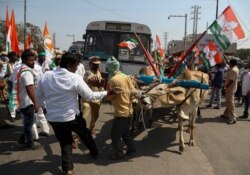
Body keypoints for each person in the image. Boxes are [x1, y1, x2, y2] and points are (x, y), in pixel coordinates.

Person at [36, 52, 114, 175]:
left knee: (65, 141)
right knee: (85, 134)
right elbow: (90, 95)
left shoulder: (46, 76)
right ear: (69, 64)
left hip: (54, 118)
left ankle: (68, 169)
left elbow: (39, 99)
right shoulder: (75, 78)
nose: (78, 67)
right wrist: (107, 92)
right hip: (71, 117)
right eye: (76, 64)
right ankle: (94, 152)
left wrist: (47, 110)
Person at [106, 56, 137, 160]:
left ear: (110, 68)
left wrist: (105, 93)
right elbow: (133, 92)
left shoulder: (112, 80)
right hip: (128, 111)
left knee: (114, 135)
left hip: (120, 113)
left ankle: (119, 154)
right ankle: (132, 148)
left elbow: (110, 96)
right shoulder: (126, 76)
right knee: (125, 133)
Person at [17, 49, 43, 149]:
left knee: (29, 122)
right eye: (30, 60)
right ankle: (30, 143)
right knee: (29, 124)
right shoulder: (27, 72)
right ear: (24, 61)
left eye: (33, 60)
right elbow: (29, 88)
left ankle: (22, 139)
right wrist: (35, 103)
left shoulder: (21, 69)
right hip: (28, 102)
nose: (33, 62)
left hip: (24, 100)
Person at [82, 56, 105, 134]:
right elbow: (91, 81)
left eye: (97, 64)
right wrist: (100, 83)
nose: (96, 66)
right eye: (94, 64)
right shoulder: (88, 73)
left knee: (96, 116)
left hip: (96, 98)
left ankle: (92, 127)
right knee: (84, 116)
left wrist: (102, 91)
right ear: (90, 64)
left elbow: (101, 85)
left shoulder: (98, 72)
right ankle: (76, 138)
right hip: (87, 98)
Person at [221, 59, 239, 124]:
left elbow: (231, 81)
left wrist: (225, 87)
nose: (229, 64)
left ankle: (233, 118)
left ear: (232, 63)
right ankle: (226, 114)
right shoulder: (234, 68)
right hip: (230, 88)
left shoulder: (233, 70)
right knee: (228, 102)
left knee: (230, 103)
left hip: (230, 88)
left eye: (229, 63)